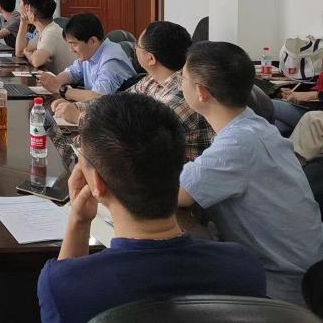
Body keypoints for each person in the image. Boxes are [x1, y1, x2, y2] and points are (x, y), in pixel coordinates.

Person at [38, 92, 266, 323]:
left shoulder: (65, 284)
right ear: (179, 165)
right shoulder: (243, 267)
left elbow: (64, 289)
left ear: (96, 182)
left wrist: (78, 222)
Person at [178, 41, 323, 305]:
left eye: (183, 78)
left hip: (281, 291)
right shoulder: (256, 126)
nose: (180, 84)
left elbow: (174, 194)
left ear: (201, 92)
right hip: (306, 272)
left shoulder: (237, 144)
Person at [54, 21, 212, 162]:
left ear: (150, 59)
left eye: (138, 46)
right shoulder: (153, 80)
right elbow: (118, 102)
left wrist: (80, 117)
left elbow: (132, 139)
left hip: (171, 180)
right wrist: (78, 107)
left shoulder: (181, 96)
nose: (135, 48)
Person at [40, 13, 135, 105]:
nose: (71, 50)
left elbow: (98, 97)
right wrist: (54, 81)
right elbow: (72, 72)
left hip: (120, 112)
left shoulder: (111, 60)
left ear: (93, 41)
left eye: (74, 44)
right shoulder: (89, 53)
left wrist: (61, 89)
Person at [14, 0, 74, 74]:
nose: (25, 13)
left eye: (27, 10)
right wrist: (23, 23)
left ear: (32, 16)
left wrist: (27, 53)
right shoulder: (43, 30)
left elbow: (36, 61)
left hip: (64, 80)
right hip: (52, 77)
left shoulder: (51, 33)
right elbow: (20, 52)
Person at [273, 71, 323, 135]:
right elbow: (316, 87)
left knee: (271, 104)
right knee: (277, 125)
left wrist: (315, 95)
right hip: (311, 107)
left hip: (316, 113)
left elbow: (318, 94)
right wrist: (293, 93)